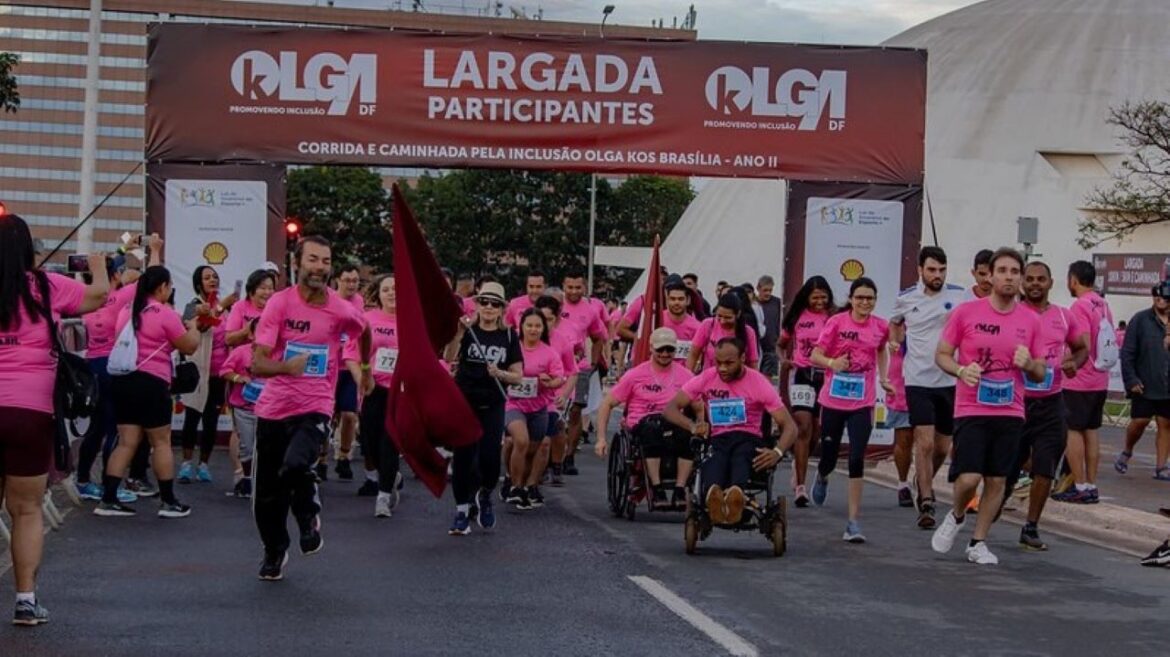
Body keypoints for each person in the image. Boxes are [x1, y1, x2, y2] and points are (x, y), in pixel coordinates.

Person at [1, 214, 109, 626]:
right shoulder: (45, 286)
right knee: (26, 510)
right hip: (30, 413)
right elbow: (98, 297)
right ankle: (26, 601)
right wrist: (97, 266)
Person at [249, 236, 369, 581]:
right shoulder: (279, 304)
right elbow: (258, 364)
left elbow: (363, 331)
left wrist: (367, 372)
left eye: (326, 261)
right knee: (267, 496)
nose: (319, 267)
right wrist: (287, 367)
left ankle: (308, 516)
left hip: (315, 403)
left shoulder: (340, 308)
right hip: (274, 407)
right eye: (313, 260)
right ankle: (275, 550)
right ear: (297, 262)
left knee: (296, 464)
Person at [930, 247, 1045, 565]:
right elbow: (942, 354)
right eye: (1003, 271)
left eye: (1014, 272)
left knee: (996, 480)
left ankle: (978, 542)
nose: (1009, 277)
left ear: (1020, 279)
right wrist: (961, 370)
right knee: (968, 478)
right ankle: (956, 515)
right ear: (990, 276)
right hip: (971, 407)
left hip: (1010, 409)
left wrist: (1029, 363)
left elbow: (1040, 371)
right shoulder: (967, 313)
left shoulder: (1030, 321)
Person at [98, 265, 202, 519]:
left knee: (126, 442)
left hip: (123, 380)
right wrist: (194, 327)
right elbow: (188, 347)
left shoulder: (126, 311)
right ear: (162, 288)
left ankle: (108, 498)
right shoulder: (164, 313)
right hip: (152, 383)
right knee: (161, 442)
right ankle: (168, 501)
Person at [998, 261, 1088, 551]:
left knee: (1045, 468)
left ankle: (1031, 526)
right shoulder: (1010, 313)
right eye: (1030, 279)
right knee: (1008, 467)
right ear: (1023, 283)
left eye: (1041, 279)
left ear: (1051, 283)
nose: (1035, 283)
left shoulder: (1063, 316)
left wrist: (1075, 363)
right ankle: (997, 500)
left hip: (1052, 402)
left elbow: (1082, 347)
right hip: (1016, 401)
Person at [663, 338, 798, 525]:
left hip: (748, 438)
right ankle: (714, 498)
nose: (722, 369)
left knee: (741, 457)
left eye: (729, 363)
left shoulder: (758, 383)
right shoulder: (708, 377)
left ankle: (736, 497)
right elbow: (670, 409)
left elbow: (790, 426)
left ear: (742, 358)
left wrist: (777, 452)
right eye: (718, 363)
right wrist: (693, 426)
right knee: (713, 460)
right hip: (718, 438)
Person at [76, 235, 162, 505]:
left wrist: (125, 247)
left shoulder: (85, 300)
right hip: (114, 366)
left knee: (97, 427)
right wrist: (155, 250)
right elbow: (153, 280)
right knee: (114, 428)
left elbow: (126, 267)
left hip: (91, 366)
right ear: (115, 275)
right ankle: (107, 484)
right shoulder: (119, 297)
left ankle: (83, 481)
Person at [808, 278, 892, 542]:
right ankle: (822, 475)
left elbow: (881, 350)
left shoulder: (880, 326)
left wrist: (884, 377)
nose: (865, 303)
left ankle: (853, 522)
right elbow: (815, 356)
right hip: (833, 401)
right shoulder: (837, 322)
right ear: (851, 299)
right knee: (830, 457)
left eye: (870, 298)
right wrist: (833, 362)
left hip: (862, 403)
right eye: (860, 298)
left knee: (857, 458)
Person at [890, 246, 967, 529]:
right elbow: (895, 323)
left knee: (942, 446)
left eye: (942, 270)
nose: (937, 275)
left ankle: (921, 481)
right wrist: (895, 342)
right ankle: (926, 501)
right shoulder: (906, 298)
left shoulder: (960, 295)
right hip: (918, 379)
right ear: (920, 270)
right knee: (924, 442)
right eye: (932, 270)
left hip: (949, 379)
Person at [445, 281, 523, 534]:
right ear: (476, 304)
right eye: (484, 302)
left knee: (490, 459)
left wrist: (499, 372)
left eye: (495, 304)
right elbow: (448, 357)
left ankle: (485, 493)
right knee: (463, 458)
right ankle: (461, 511)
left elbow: (518, 376)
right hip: (465, 400)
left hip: (493, 402)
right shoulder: (468, 330)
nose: (489, 307)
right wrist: (457, 334)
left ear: (502, 308)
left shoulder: (509, 336)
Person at [595, 328, 695, 508]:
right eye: (660, 350)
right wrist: (601, 439)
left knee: (687, 432)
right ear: (651, 348)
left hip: (673, 422)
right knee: (652, 430)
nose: (665, 354)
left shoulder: (685, 375)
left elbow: (700, 404)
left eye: (669, 350)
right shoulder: (635, 375)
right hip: (643, 423)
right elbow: (607, 404)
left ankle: (680, 488)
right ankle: (656, 489)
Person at [1054, 260, 1115, 504]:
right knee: (1091, 431)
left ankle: (1078, 485)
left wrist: (1065, 361)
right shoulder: (1103, 303)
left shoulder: (1079, 305)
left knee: (1072, 430)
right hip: (1100, 379)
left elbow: (1085, 344)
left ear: (1074, 280)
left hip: (1079, 379)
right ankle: (1091, 483)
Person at [178, 265, 238, 484]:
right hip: (197, 371)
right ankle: (185, 464)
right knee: (192, 418)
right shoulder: (193, 306)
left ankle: (204, 464)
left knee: (211, 419)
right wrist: (220, 307)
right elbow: (199, 327)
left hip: (218, 372)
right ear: (198, 283)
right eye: (207, 277)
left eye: (215, 277)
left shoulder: (228, 309)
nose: (212, 280)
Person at [777, 276, 833, 507]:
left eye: (823, 296)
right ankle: (800, 486)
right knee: (803, 427)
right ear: (806, 297)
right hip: (803, 374)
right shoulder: (796, 317)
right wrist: (784, 360)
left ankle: (799, 462)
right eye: (815, 297)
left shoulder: (834, 317)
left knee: (817, 432)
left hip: (827, 376)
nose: (819, 301)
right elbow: (780, 344)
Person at [355, 274, 408, 518]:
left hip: (401, 392)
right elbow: (351, 355)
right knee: (371, 445)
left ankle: (383, 497)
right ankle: (390, 474)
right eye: (386, 289)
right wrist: (363, 380)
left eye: (397, 289)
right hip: (373, 389)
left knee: (390, 443)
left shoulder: (412, 322)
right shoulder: (367, 320)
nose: (392, 293)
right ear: (379, 293)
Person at [503, 308, 566, 510]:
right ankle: (514, 486)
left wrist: (549, 382)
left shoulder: (549, 353)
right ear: (521, 327)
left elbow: (559, 378)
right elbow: (499, 370)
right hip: (513, 404)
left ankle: (522, 486)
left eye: (537, 326)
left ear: (543, 328)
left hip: (539, 407)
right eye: (529, 325)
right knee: (520, 440)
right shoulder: (513, 348)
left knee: (531, 450)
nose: (533, 329)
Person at [222, 269, 277, 497]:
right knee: (242, 433)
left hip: (269, 377)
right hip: (242, 373)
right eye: (262, 287)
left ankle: (263, 477)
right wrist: (250, 331)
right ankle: (242, 475)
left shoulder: (278, 308)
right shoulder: (240, 308)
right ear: (252, 290)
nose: (267, 292)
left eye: (270, 287)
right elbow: (228, 338)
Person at [1115, 283, 1170, 478]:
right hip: (1144, 383)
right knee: (1140, 421)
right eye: (1159, 297)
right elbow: (1128, 352)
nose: (1162, 301)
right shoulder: (1140, 320)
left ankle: (1161, 466)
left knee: (1166, 424)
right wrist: (1131, 379)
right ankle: (1127, 450)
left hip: (1167, 384)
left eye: (1166, 298)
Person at [560, 271, 610, 476]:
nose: (573, 291)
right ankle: (551, 458)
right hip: (553, 367)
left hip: (578, 368)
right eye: (569, 287)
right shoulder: (555, 304)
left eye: (577, 287)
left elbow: (599, 337)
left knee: (575, 411)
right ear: (563, 286)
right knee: (553, 414)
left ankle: (569, 456)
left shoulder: (590, 311)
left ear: (585, 288)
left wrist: (593, 363)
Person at [532, 295, 578, 488]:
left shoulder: (562, 341)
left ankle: (557, 465)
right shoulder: (525, 337)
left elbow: (573, 372)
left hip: (557, 394)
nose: (543, 325)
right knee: (537, 435)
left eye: (549, 320)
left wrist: (564, 394)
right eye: (540, 319)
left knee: (557, 427)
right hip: (531, 394)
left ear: (556, 320)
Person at [324, 263, 365, 481]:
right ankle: (321, 459)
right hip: (329, 367)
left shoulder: (359, 302)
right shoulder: (329, 298)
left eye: (355, 281)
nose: (351, 285)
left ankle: (343, 456)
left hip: (350, 367)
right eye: (347, 280)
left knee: (349, 415)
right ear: (337, 281)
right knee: (327, 415)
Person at [688, 293, 760, 373]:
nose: (722, 321)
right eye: (719, 316)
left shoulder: (748, 332)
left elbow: (753, 364)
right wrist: (688, 376)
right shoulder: (708, 325)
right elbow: (693, 354)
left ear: (738, 314)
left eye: (728, 318)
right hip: (710, 380)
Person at [887, 338, 915, 508]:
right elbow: (893, 334)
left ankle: (924, 480)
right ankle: (903, 483)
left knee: (932, 444)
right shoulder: (899, 320)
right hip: (901, 386)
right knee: (904, 439)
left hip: (931, 383)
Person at [756, 275, 783, 380]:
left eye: (770, 290)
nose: (768, 293)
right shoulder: (754, 304)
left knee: (766, 380)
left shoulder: (777, 303)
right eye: (765, 290)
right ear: (758, 288)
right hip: (757, 347)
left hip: (772, 347)